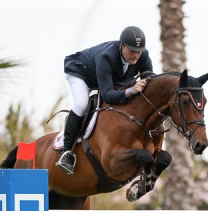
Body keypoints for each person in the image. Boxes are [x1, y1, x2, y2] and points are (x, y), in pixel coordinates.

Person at [55, 26, 154, 174]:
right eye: (132, 50)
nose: (135, 55)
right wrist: (132, 90)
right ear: (122, 45)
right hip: (81, 73)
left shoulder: (143, 55)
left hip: (108, 78)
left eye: (138, 51)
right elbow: (108, 95)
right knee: (82, 104)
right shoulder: (107, 56)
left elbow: (150, 81)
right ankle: (67, 152)